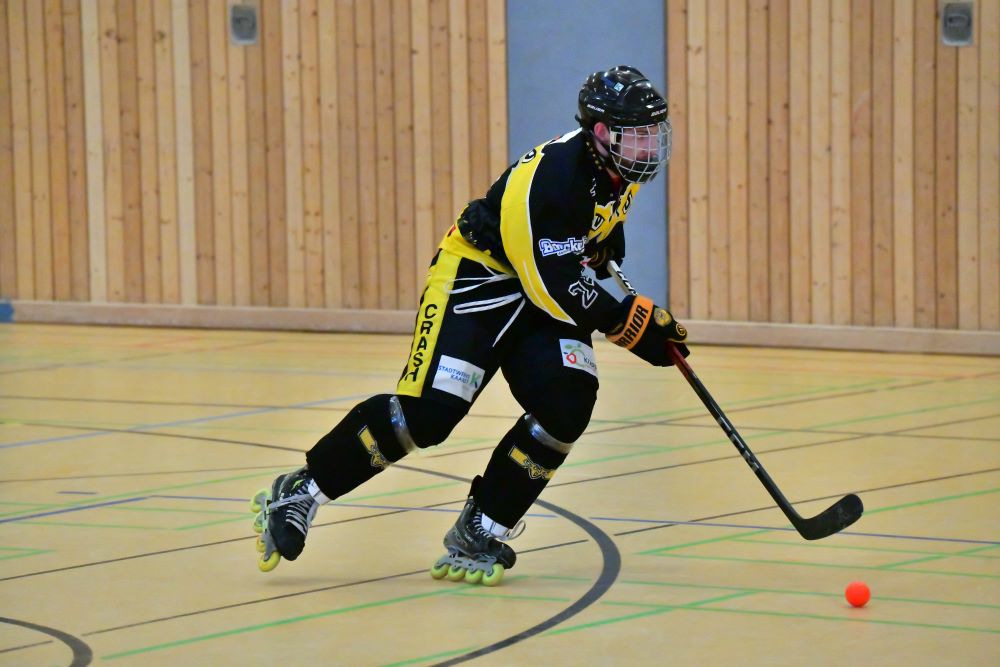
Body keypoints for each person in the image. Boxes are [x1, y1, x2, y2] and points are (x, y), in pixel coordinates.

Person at [251, 65, 689, 585]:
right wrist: (631, 326)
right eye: (636, 136)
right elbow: (556, 284)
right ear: (600, 132)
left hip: (537, 286)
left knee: (569, 399)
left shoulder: (620, 171)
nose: (648, 148)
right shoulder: (553, 178)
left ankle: (482, 526)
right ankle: (302, 489)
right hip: (477, 279)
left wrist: (629, 295)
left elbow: (590, 247)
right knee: (431, 415)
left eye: (652, 135)